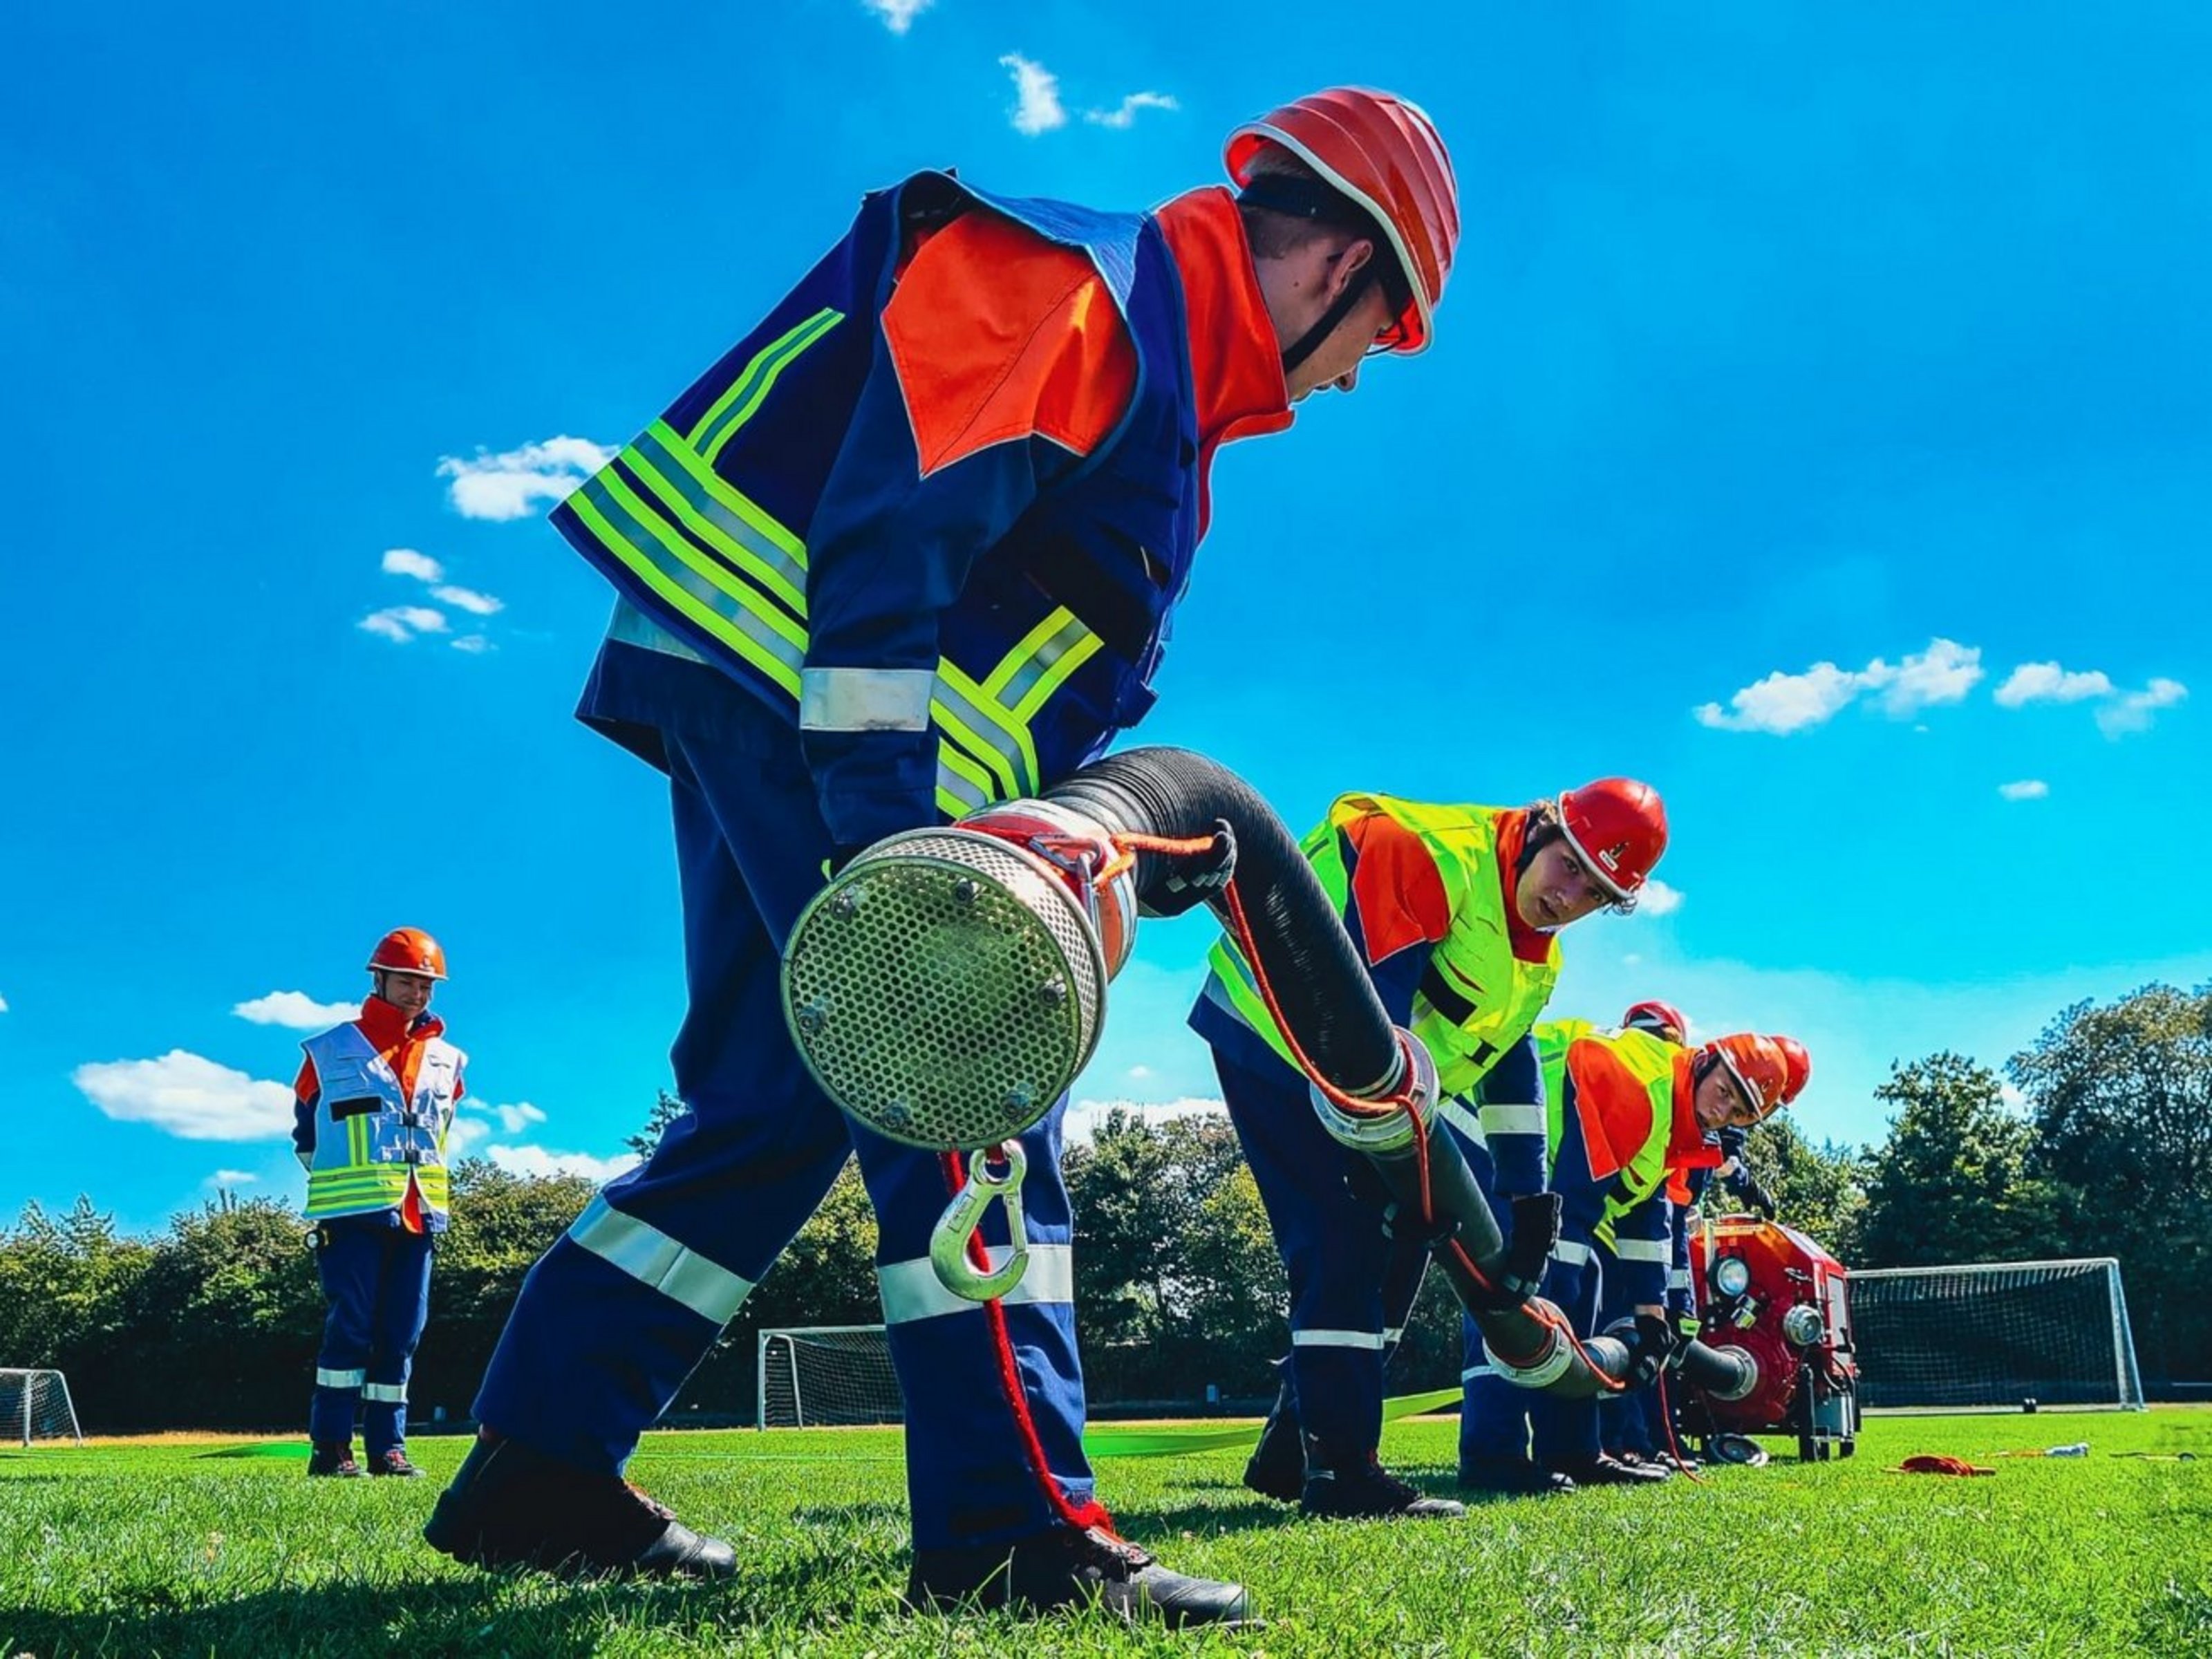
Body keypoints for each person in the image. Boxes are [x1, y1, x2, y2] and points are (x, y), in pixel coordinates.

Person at [422, 88, 1461, 1625]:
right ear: (1342, 263)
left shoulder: (1162, 368)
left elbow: (1007, 640)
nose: (1360, 370)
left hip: (777, 707)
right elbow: (887, 540)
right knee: (969, 1071)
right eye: (1382, 331)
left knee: (771, 1106)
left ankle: (541, 1465)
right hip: (813, 714)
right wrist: (901, 859)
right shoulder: (1088, 284)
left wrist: (1090, 843)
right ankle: (1011, 1528)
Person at [1196, 781, 1669, 1517]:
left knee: (1400, 1259)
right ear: (1540, 828)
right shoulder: (1433, 854)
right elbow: (1361, 1009)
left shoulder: (1536, 960)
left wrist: (1526, 1198)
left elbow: (1510, 1070)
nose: (1568, 896)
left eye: (1595, 894)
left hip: (1369, 1091)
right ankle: (1342, 1474)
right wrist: (1371, 1137)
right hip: (1279, 1043)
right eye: (1570, 866)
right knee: (1345, 1241)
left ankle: (1295, 1441)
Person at [1470, 1021, 1789, 1490]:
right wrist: (1556, 1285)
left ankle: (1574, 1451)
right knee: (1511, 1298)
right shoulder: (1641, 1086)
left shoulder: (1676, 1120)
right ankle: (1492, 1453)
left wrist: (1652, 1319)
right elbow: (1575, 1201)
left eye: (1737, 1113)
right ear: (1704, 1062)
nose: (1721, 1113)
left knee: (1581, 1291)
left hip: (1544, 1171)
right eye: (1723, 1092)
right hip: (1493, 1131)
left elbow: (1646, 1222)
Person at [293, 927, 465, 1479]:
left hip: (421, 1216)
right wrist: (349, 1186)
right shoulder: (328, 1051)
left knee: (401, 1335)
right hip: (353, 1217)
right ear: (380, 979)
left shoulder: (448, 1060)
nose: (418, 993)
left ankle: (389, 1450)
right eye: (408, 982)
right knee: (351, 1328)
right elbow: (306, 1137)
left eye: (427, 985)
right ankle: (331, 1448)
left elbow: (440, 1131)